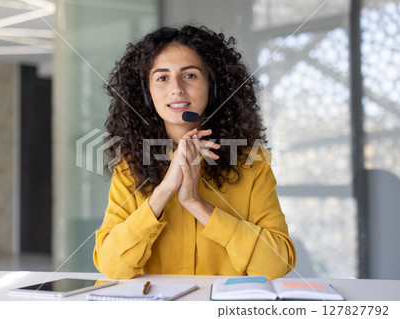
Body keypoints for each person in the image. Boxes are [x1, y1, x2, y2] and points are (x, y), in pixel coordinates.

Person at [93, 25, 296, 279]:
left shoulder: (250, 163)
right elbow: (112, 266)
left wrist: (196, 204)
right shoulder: (131, 165)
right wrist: (165, 190)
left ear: (212, 87)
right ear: (146, 94)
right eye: (162, 77)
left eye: (189, 75)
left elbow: (275, 265)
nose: (176, 88)